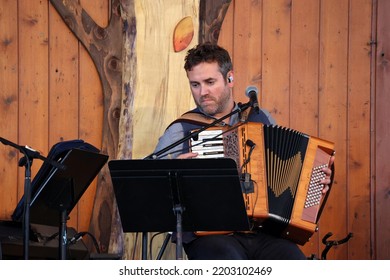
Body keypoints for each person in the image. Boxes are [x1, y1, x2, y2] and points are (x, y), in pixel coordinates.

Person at [152, 42, 335, 260]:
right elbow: (149, 189)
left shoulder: (260, 118)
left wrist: (313, 184)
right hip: (210, 237)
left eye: (210, 82)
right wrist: (174, 176)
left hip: (263, 233)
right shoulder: (182, 129)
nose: (203, 92)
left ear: (230, 78)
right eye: (195, 85)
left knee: (294, 261)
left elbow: (286, 173)